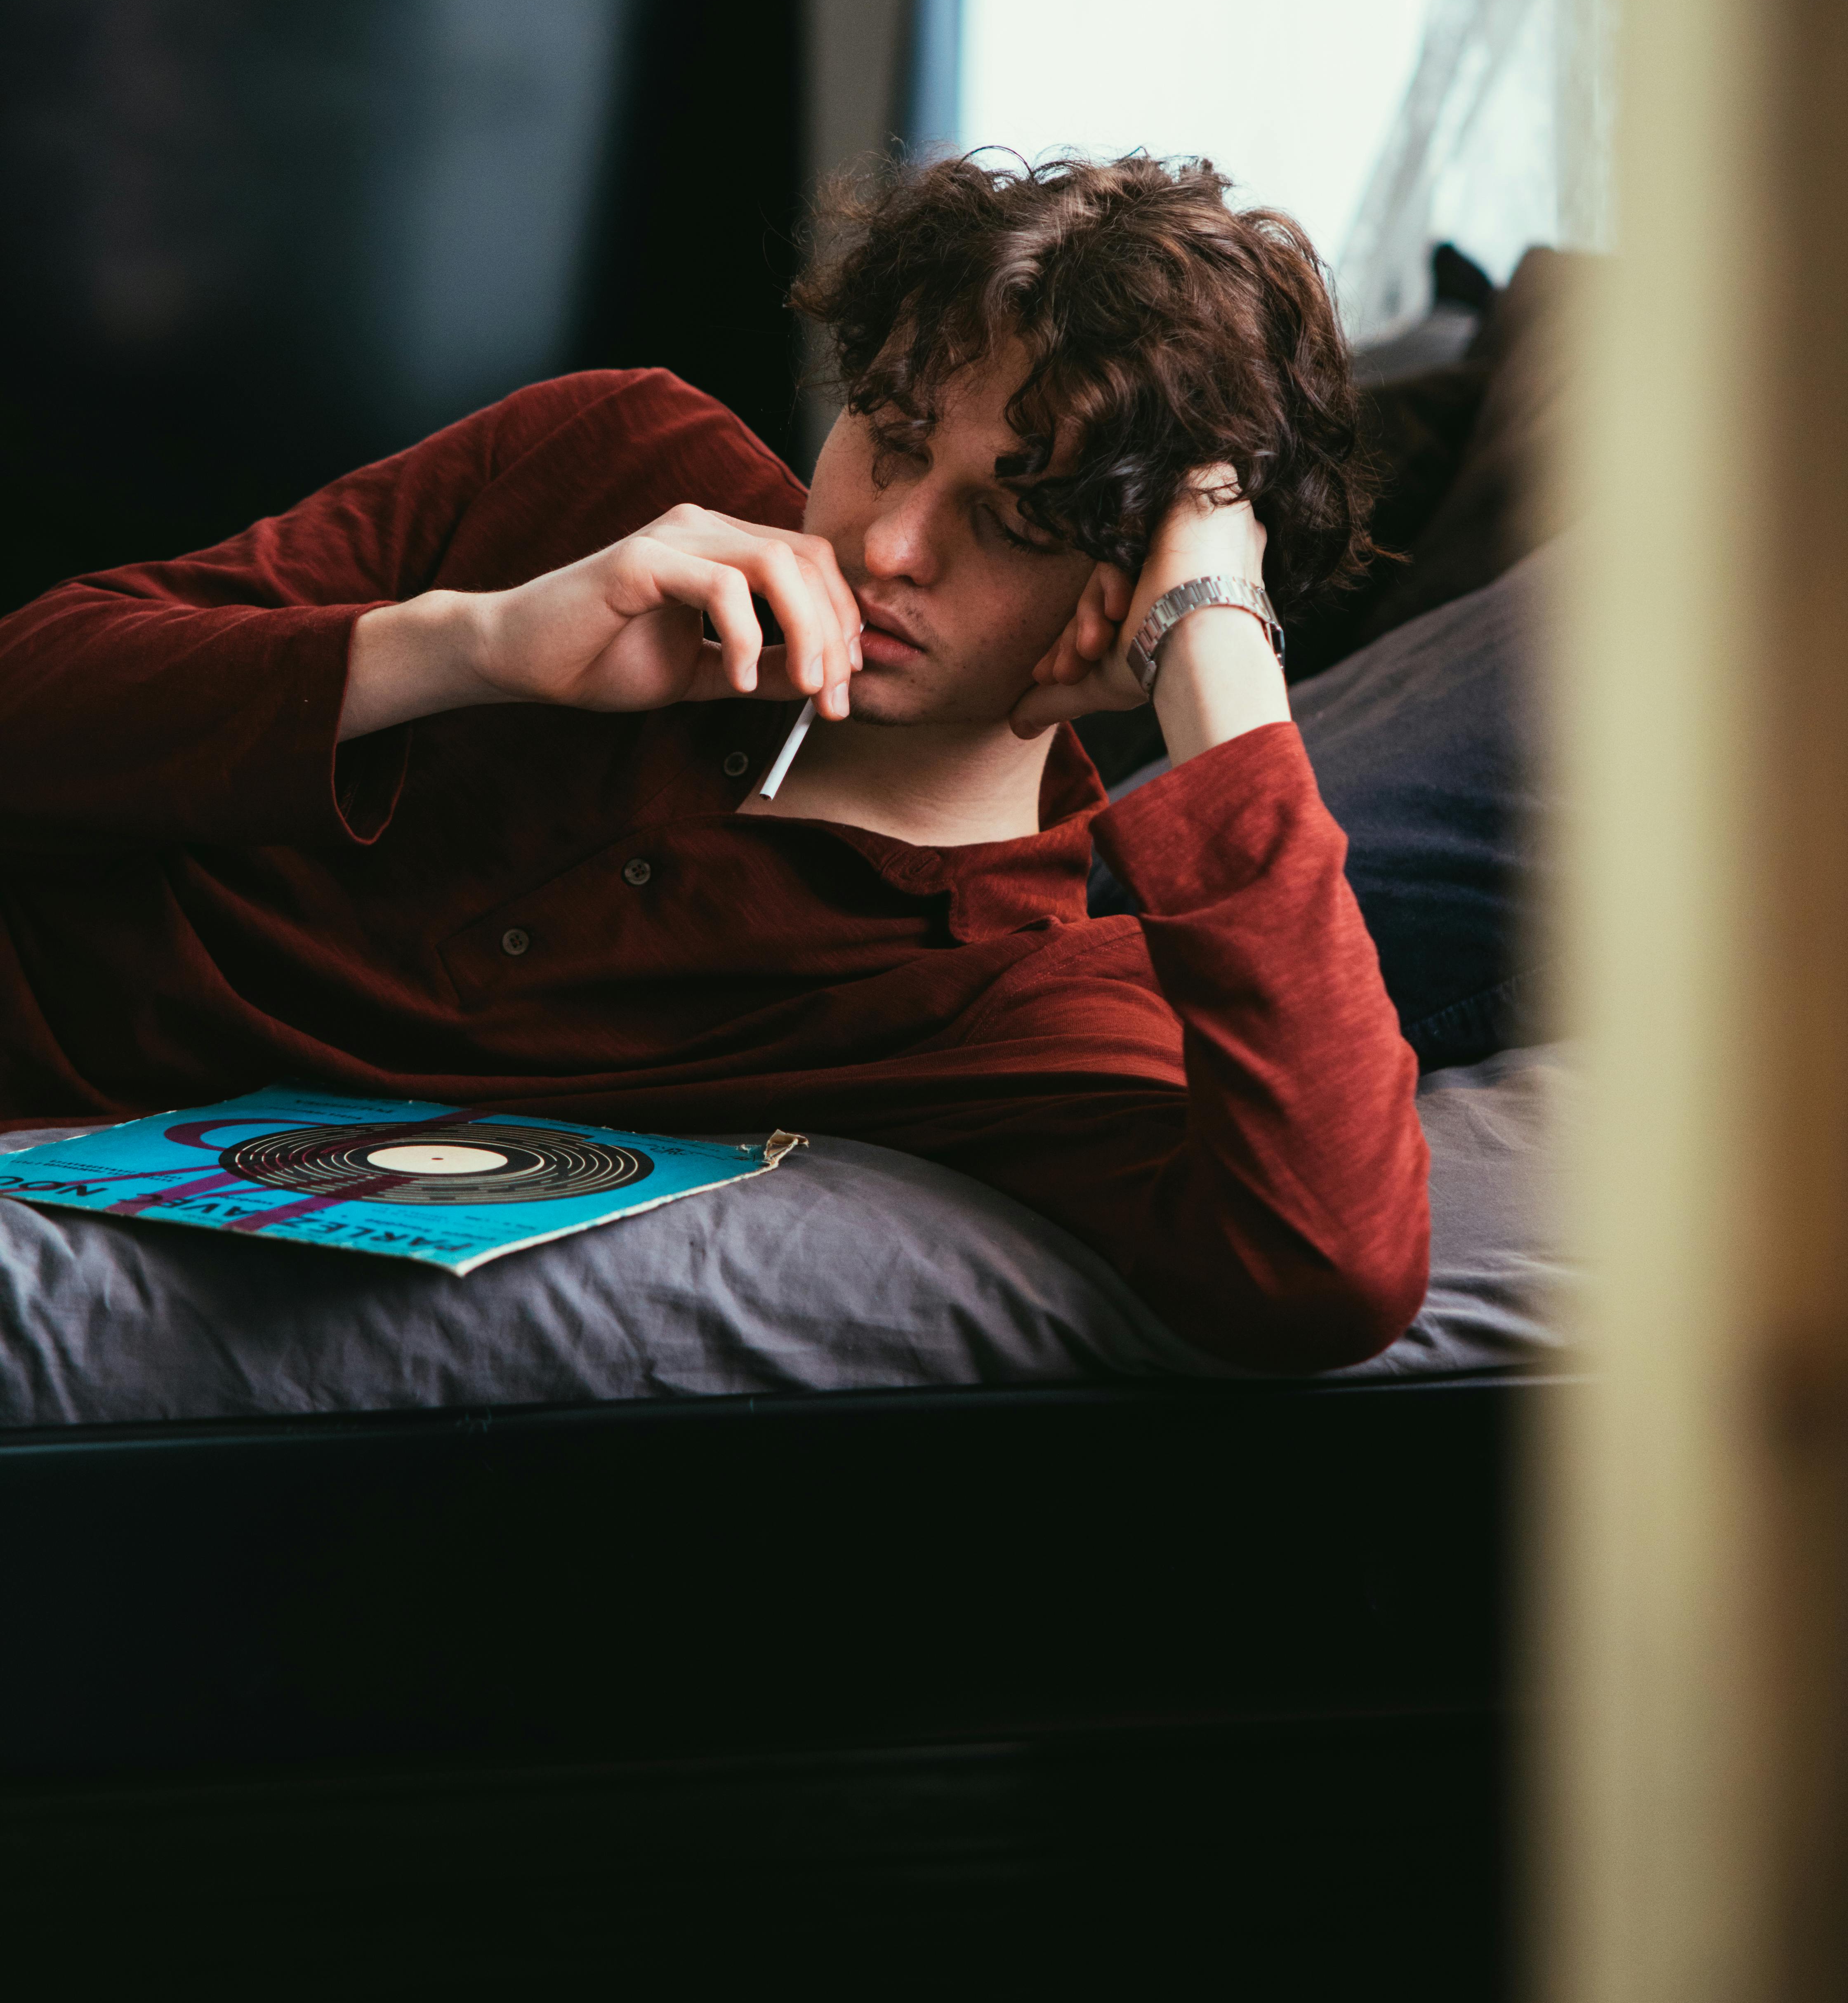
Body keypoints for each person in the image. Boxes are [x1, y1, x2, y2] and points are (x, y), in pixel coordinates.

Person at [0, 153, 1428, 1369]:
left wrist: (1223, 650)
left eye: (1018, 521)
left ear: (1128, 603)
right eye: (890, 437)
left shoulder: (1019, 989)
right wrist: (470, 648)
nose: (888, 544)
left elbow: (1333, 1266)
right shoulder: (616, 463)